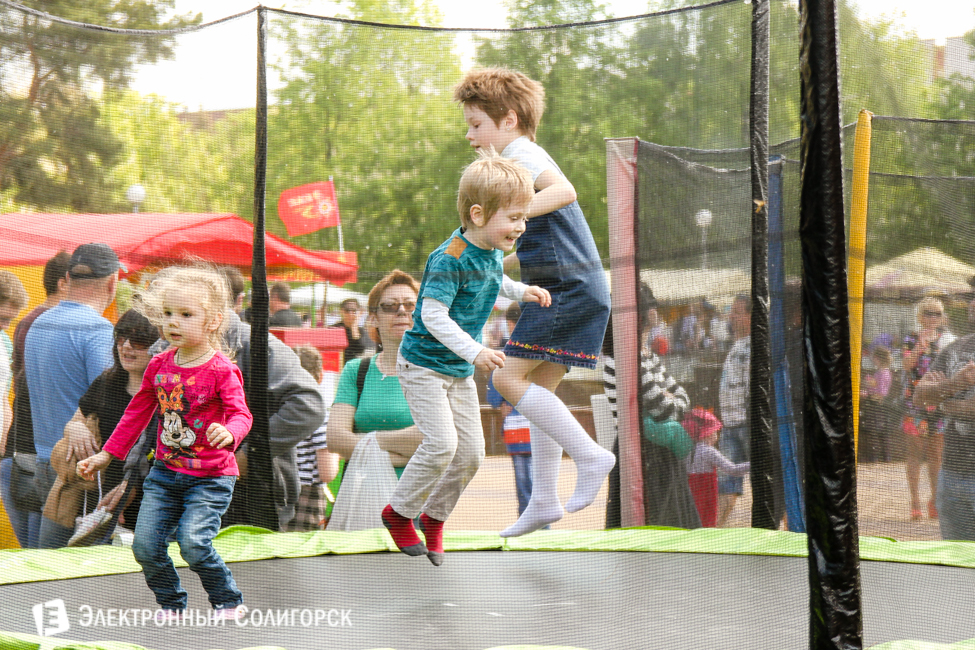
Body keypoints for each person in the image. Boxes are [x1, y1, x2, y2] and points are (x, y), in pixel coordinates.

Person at [454, 68, 614, 538]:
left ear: (507, 120)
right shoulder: (512, 160)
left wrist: (512, 212)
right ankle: (544, 498)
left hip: (567, 289)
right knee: (540, 387)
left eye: (476, 123)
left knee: (504, 376)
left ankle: (590, 455)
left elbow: (564, 191)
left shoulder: (520, 152)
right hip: (571, 286)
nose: (469, 135)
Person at [382, 150, 550, 566]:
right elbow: (432, 314)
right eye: (513, 217)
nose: (521, 226)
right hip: (423, 365)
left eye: (523, 217)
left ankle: (433, 517)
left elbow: (493, 280)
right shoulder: (449, 258)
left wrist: (519, 291)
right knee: (441, 443)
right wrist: (476, 350)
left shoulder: (489, 249)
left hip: (455, 370)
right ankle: (397, 513)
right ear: (478, 214)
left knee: (472, 453)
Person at [78, 264, 252, 619]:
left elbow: (242, 415)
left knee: (193, 544)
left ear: (213, 321)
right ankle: (172, 603)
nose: (173, 322)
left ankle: (227, 599)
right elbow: (136, 414)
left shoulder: (221, 370)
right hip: (165, 474)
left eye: (186, 314)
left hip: (211, 478)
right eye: (168, 313)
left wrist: (230, 432)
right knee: (144, 546)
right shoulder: (159, 365)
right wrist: (107, 455)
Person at [40, 309, 160, 548]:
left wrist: (133, 486)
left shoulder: (169, 394)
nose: (126, 346)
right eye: (120, 337)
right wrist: (75, 429)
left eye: (138, 341)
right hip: (84, 501)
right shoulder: (107, 382)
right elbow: (74, 422)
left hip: (138, 507)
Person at [218, 266, 326, 531]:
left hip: (249, 498)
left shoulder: (257, 346)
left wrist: (249, 453)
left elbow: (309, 405)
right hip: (186, 492)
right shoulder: (170, 348)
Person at [25, 243, 119, 537]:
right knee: (78, 570)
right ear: (113, 282)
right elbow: (107, 402)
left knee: (47, 567)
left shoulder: (39, 322)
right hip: (78, 470)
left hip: (43, 462)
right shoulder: (98, 331)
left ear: (68, 277)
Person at [603, 287, 698, 530]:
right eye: (650, 306)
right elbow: (664, 409)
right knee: (653, 528)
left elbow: (681, 398)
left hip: (660, 449)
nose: (655, 310)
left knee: (671, 528)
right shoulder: (623, 356)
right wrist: (670, 398)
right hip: (641, 452)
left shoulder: (646, 354)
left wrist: (670, 399)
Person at [326, 270, 423, 479]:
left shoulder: (437, 371)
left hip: (420, 501)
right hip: (361, 495)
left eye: (410, 305)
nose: (401, 312)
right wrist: (402, 455)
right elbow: (335, 440)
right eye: (389, 306)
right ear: (373, 318)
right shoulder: (355, 370)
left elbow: (436, 440)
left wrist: (363, 443)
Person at [913, 280, 975, 541]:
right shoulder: (956, 349)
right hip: (951, 475)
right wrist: (958, 383)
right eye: (973, 297)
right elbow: (919, 396)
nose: (973, 303)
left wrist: (946, 402)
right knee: (955, 563)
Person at [901, 296, 954, 520]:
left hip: (939, 404)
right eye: (928, 313)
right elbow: (905, 365)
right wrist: (919, 347)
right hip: (914, 403)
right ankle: (915, 502)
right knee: (914, 453)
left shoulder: (949, 340)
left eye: (937, 313)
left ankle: (935, 500)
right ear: (920, 316)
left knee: (936, 456)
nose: (932, 317)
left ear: (942, 317)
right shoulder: (911, 338)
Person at [485, 302, 535, 518]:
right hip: (527, 425)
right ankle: (532, 521)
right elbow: (493, 395)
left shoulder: (511, 354)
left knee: (528, 477)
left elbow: (494, 395)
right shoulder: (543, 351)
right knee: (529, 476)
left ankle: (532, 520)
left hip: (526, 424)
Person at [286, 344, 339, 531]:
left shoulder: (279, 410)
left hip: (279, 490)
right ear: (320, 377)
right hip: (307, 495)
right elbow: (328, 472)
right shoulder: (318, 415)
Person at [0, 270, 31, 545]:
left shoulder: (4, 342)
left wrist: (4, 441)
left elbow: (3, 397)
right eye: (1, 318)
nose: (5, 325)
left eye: (10, 320)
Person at [683, 407, 750, 528]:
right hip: (707, 495)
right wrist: (753, 464)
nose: (717, 435)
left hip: (691, 494)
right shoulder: (709, 451)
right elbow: (733, 470)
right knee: (707, 524)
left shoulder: (687, 451)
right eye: (715, 432)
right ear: (708, 434)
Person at [717, 294, 751, 527]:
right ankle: (716, 531)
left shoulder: (753, 346)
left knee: (763, 482)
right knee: (726, 484)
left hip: (748, 425)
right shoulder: (736, 345)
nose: (732, 316)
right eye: (732, 311)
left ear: (751, 316)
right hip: (730, 424)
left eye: (738, 312)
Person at [859, 344, 893, 463]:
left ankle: (876, 457)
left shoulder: (882, 373)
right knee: (880, 431)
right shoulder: (882, 372)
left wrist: (867, 392)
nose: (873, 360)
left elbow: (881, 392)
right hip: (878, 404)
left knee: (874, 431)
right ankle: (884, 457)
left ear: (878, 358)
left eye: (874, 358)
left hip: (876, 405)